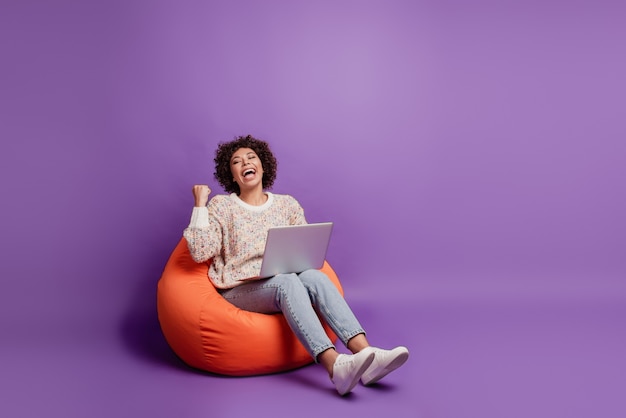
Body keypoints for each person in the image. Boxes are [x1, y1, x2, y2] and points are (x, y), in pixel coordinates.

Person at [183, 134, 409, 396]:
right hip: (240, 289)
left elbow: (304, 252)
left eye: (251, 157)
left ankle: (366, 353)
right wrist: (199, 204)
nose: (245, 162)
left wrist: (294, 264)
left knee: (315, 277)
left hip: (283, 280)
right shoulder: (221, 206)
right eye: (236, 161)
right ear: (231, 174)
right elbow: (200, 251)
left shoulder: (287, 204)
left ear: (263, 166)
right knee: (287, 282)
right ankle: (335, 366)